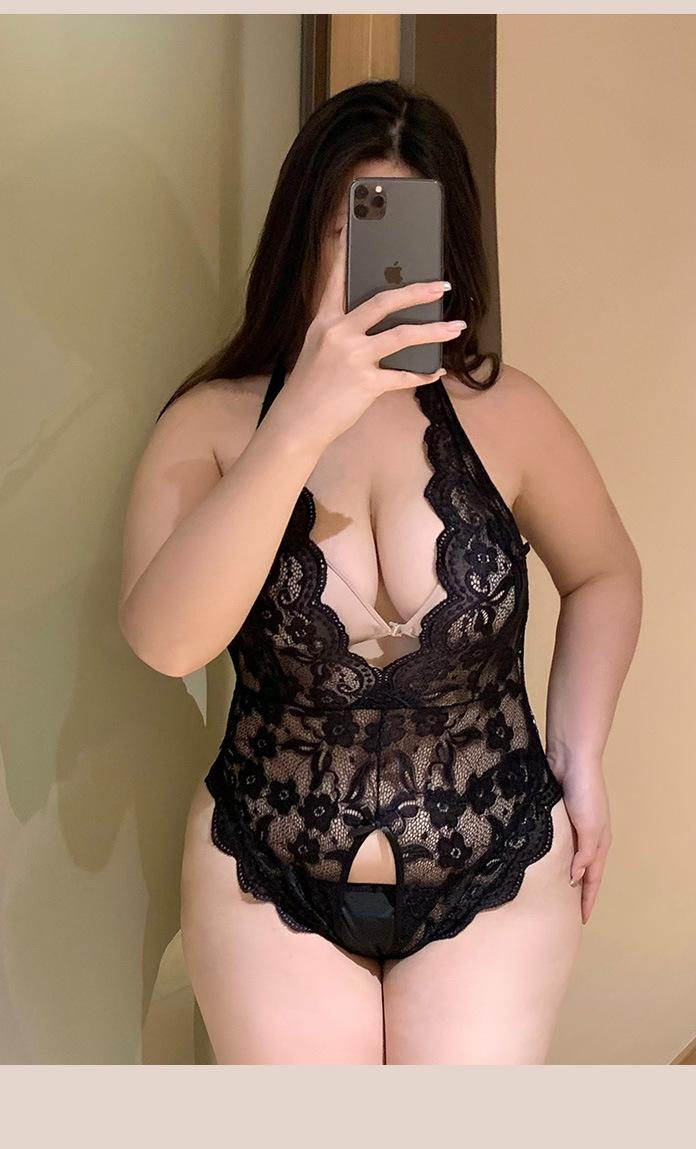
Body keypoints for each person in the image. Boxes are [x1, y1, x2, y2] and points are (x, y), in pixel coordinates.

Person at [118, 79, 642, 1064]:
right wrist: (301, 419)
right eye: (351, 230)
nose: (381, 265)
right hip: (268, 865)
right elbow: (166, 643)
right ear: (301, 241)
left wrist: (583, 755)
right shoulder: (212, 424)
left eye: (407, 230)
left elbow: (606, 572)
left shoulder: (510, 413)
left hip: (495, 853)